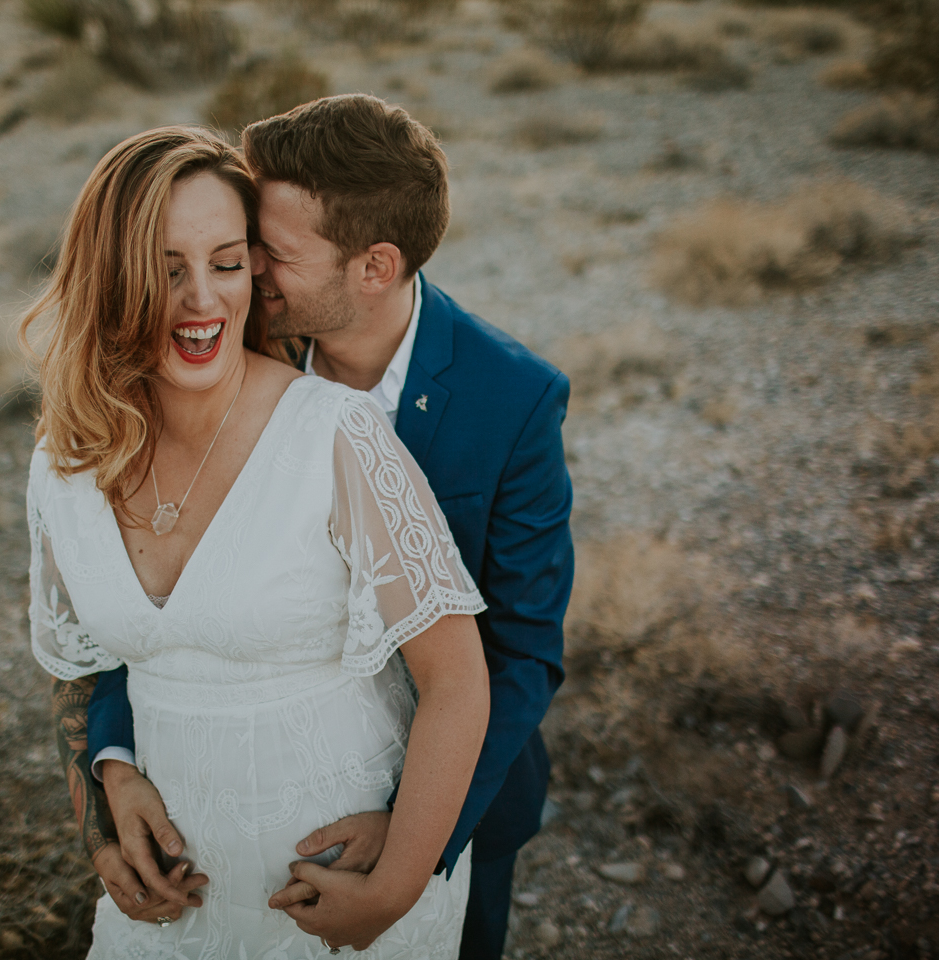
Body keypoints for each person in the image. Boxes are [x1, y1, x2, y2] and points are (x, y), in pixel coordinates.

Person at [85, 95, 574, 960]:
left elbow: (524, 649)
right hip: (236, 827)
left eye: (270, 251)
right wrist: (112, 763)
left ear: (374, 267)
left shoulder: (512, 399)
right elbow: (150, 584)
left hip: (458, 799)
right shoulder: (230, 343)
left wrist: (414, 840)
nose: (250, 272)